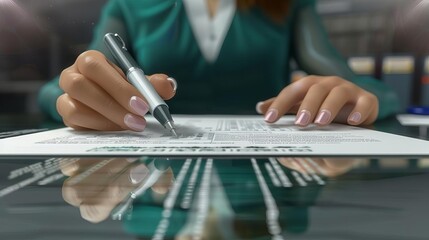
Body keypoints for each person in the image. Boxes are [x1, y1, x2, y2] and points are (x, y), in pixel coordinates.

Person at [38, 0, 400, 132]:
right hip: (151, 176)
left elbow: (353, 82)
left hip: (267, 175)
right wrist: (75, 94)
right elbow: (64, 84)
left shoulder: (289, 4)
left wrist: (362, 97)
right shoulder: (130, 4)